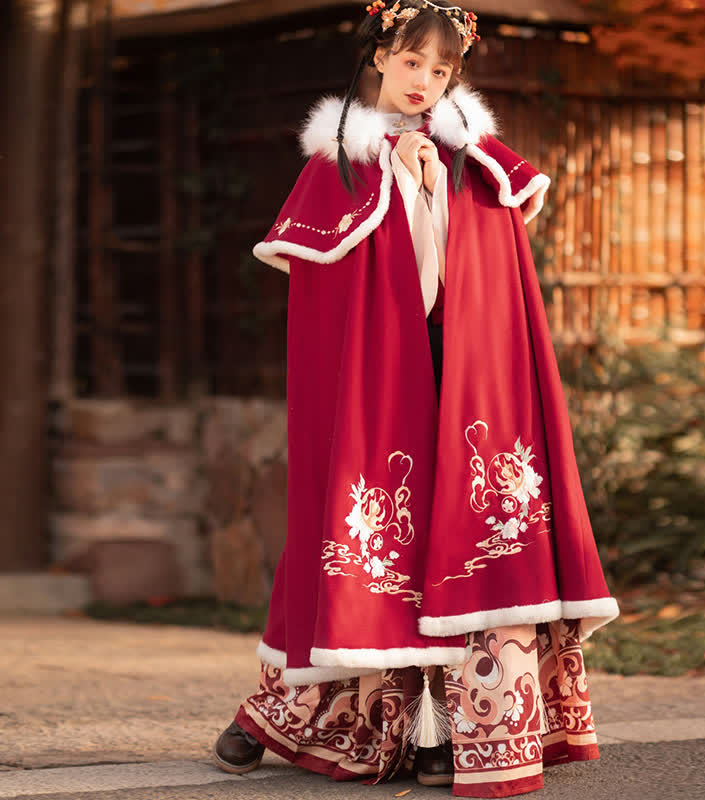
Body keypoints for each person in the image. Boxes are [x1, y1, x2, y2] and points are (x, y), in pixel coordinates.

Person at [212, 0, 620, 795]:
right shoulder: (340, 165)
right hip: (381, 387)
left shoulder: (479, 161)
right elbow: (364, 288)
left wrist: (434, 184)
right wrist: (399, 186)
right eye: (410, 64)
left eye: (440, 71)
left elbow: (468, 285)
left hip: (470, 384)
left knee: (466, 534)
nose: (423, 82)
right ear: (379, 58)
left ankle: (458, 733)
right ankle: (286, 715)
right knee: (368, 532)